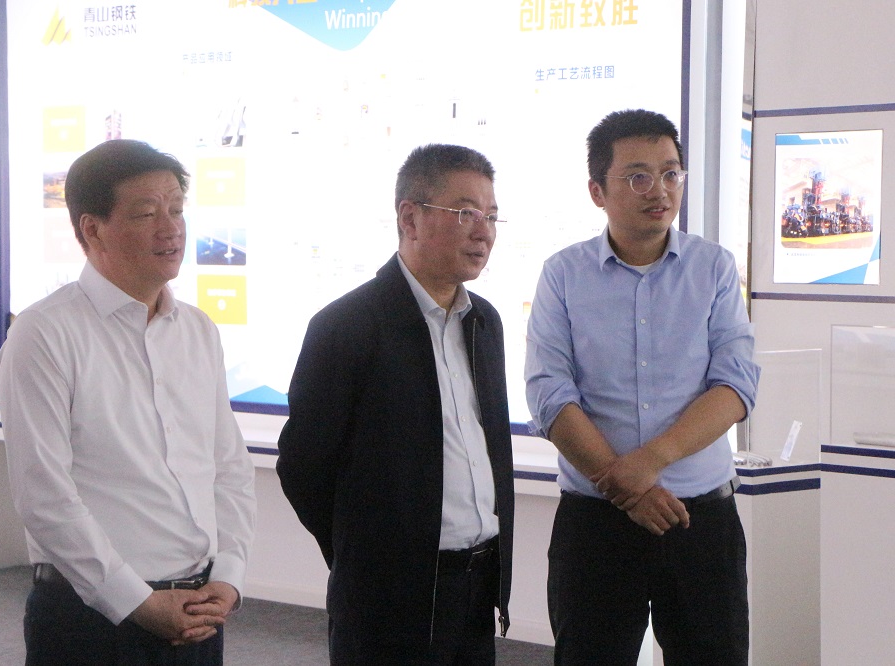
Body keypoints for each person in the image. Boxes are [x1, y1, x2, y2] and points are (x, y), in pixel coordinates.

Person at [0, 139, 257, 665]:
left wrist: (228, 577)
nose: (171, 228)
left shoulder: (198, 330)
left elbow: (228, 466)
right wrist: (134, 601)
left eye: (177, 209)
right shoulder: (44, 334)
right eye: (146, 213)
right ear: (92, 229)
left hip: (200, 608)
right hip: (91, 615)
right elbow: (44, 494)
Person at [525, 109, 760, 665]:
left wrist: (648, 462)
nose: (659, 190)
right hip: (597, 523)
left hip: (699, 521)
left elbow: (736, 384)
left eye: (670, 173)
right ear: (597, 191)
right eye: (637, 176)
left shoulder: (714, 268)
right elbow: (549, 393)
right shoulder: (563, 274)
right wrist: (625, 488)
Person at [276, 143, 515, 665]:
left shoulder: (485, 323)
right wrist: (365, 556)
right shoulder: (347, 325)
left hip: (477, 586)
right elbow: (303, 466)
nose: (484, 232)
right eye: (466, 213)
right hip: (386, 597)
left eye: (492, 216)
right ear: (410, 218)